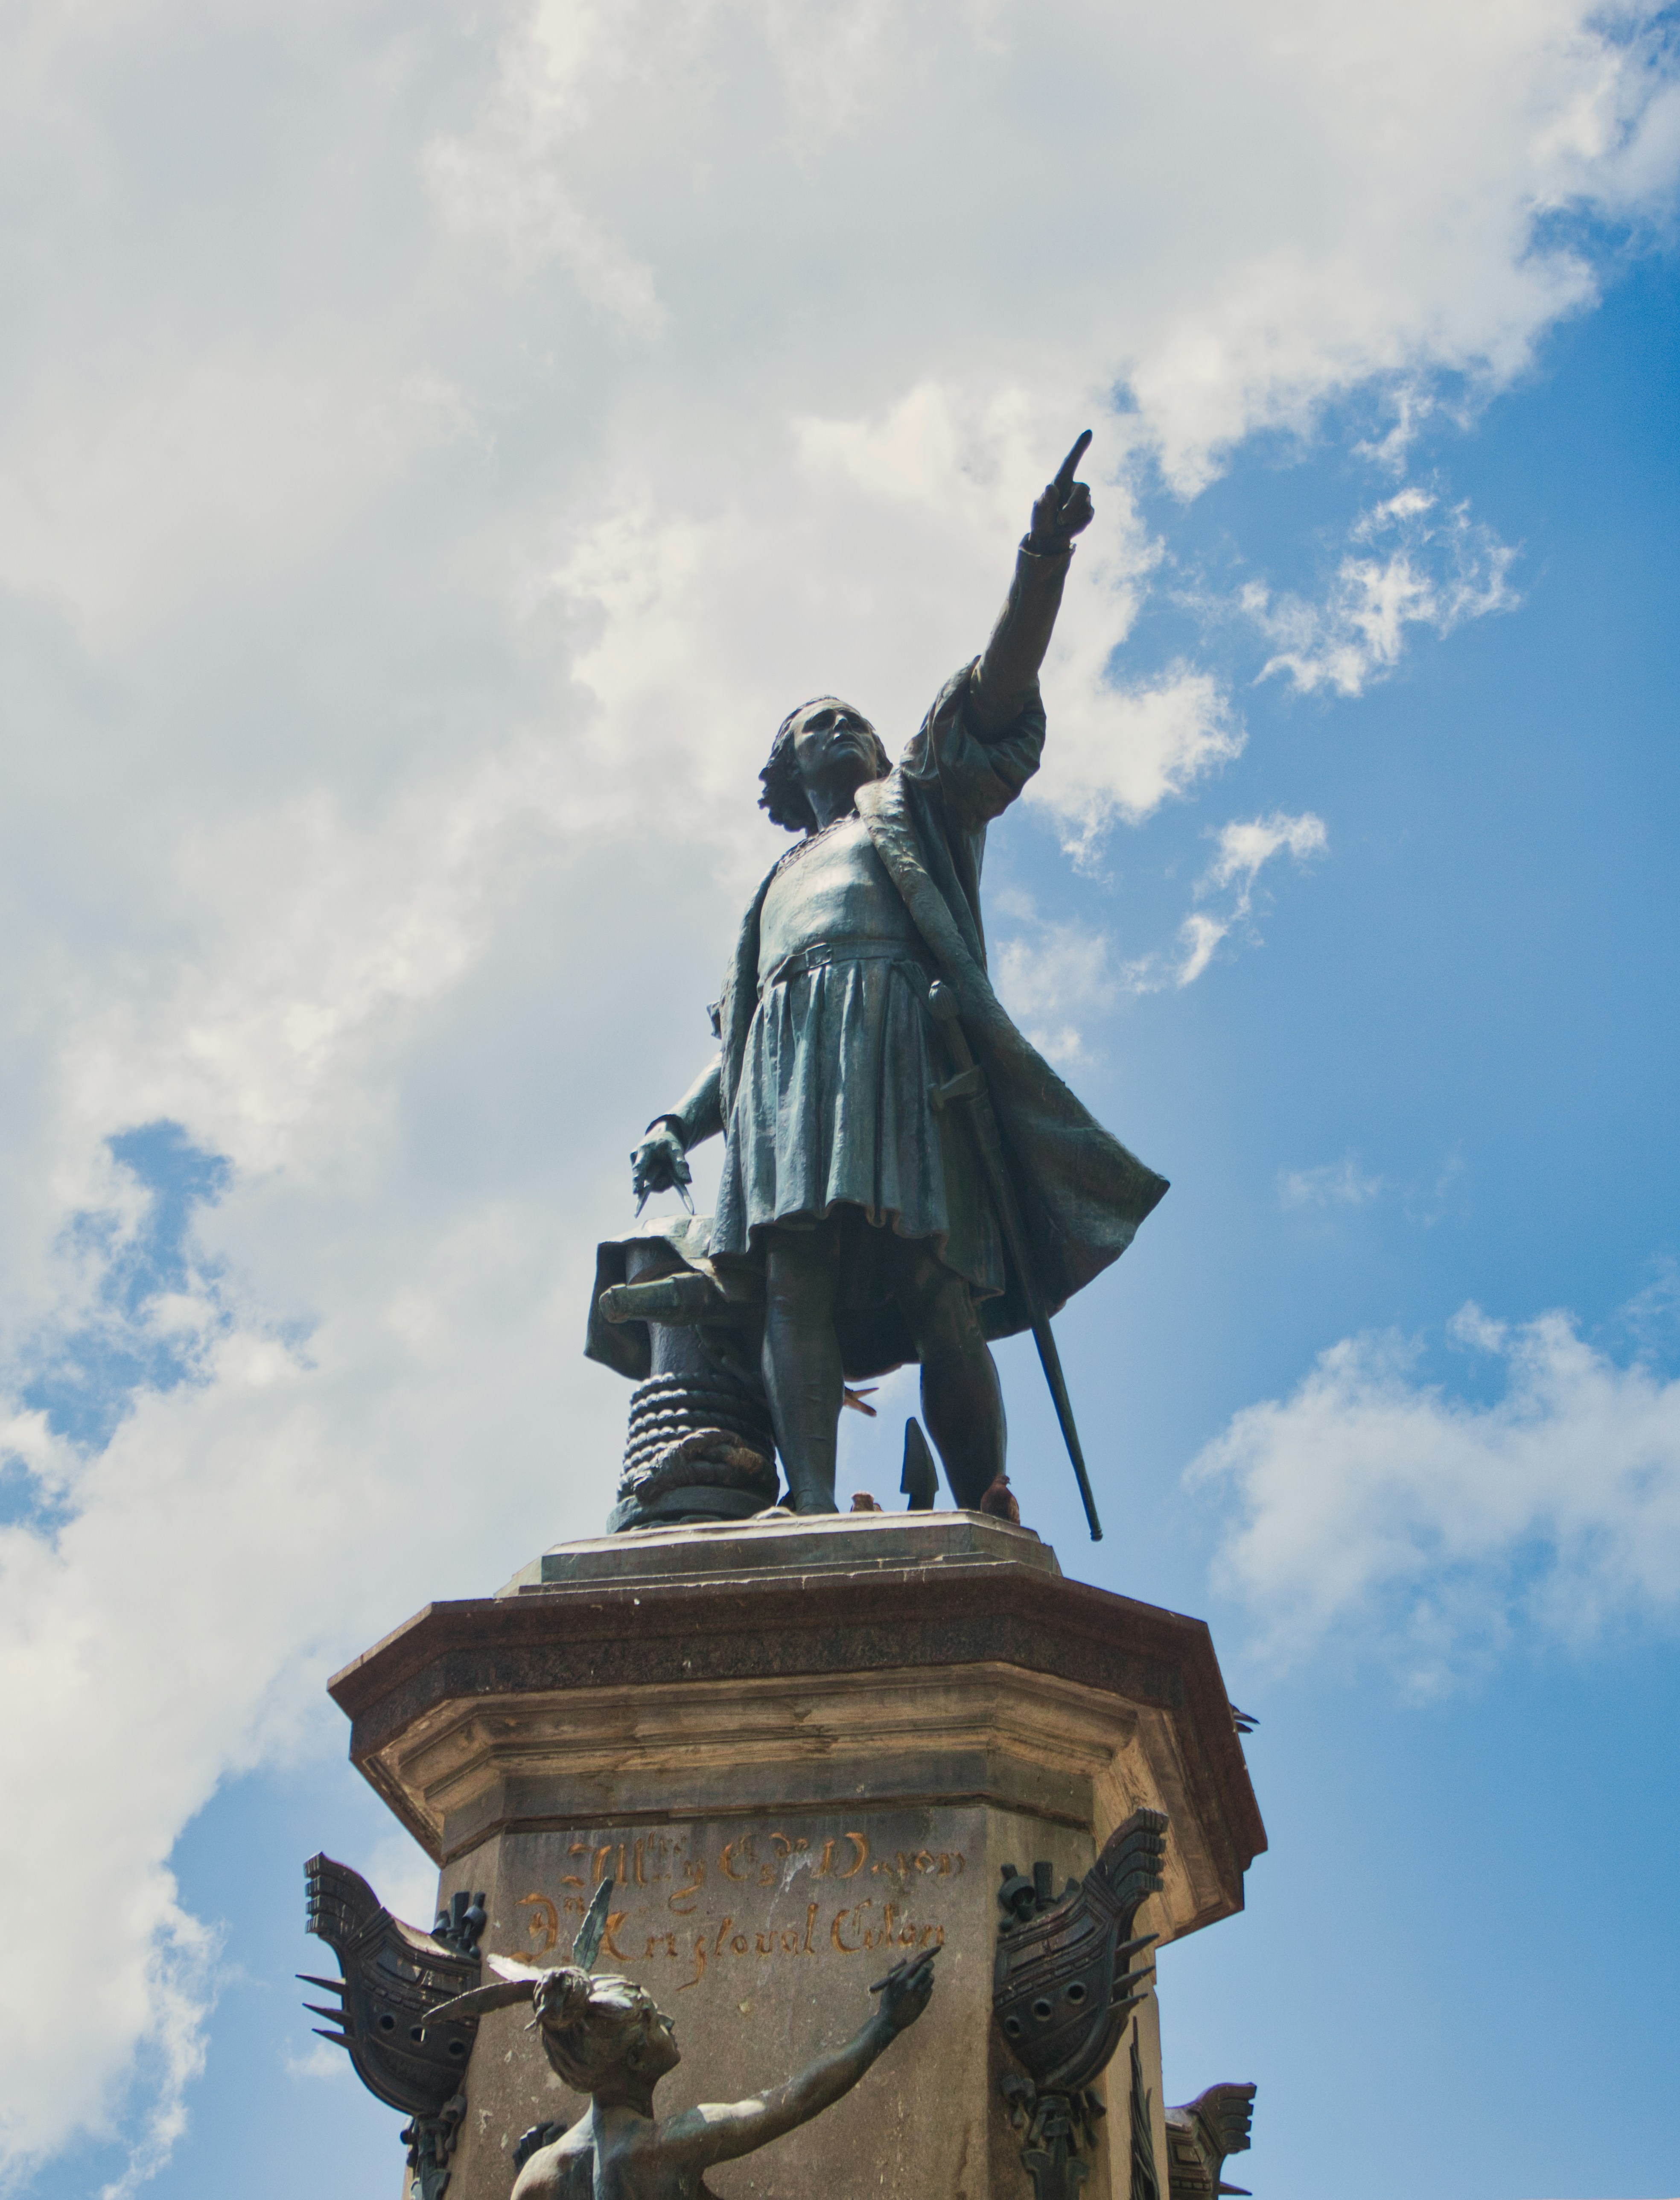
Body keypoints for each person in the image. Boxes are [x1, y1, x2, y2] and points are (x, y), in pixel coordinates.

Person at [630, 435, 1167, 1515]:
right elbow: (734, 1041)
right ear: (784, 778)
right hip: (786, 1069)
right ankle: (813, 1507)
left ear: (882, 751)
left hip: (898, 1038)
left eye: (850, 718)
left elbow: (993, 691)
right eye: (808, 726)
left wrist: (1039, 565)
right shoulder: (773, 884)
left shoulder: (915, 811)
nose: (834, 726)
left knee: (938, 1283)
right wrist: (679, 1126)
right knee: (795, 1280)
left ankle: (983, 1501)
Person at [508, 1952, 936, 2200]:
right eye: (655, 2020)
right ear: (636, 2058)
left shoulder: (536, 2171)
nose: (670, 2023)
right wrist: (884, 2026)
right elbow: (799, 2096)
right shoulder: (664, 2147)